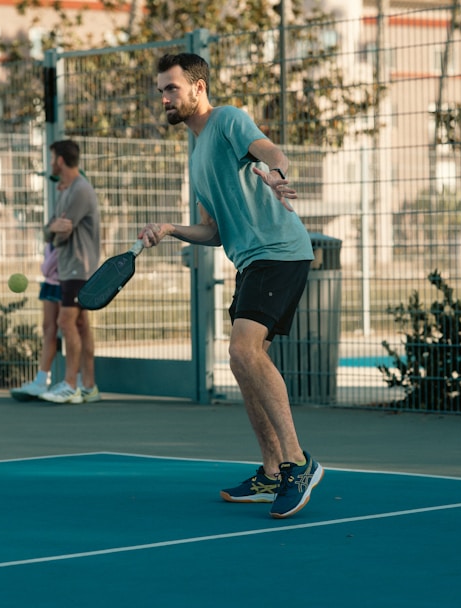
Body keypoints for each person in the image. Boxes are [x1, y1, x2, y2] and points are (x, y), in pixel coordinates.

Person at [138, 53, 322, 519]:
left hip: (279, 251)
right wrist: (172, 230)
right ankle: (270, 471)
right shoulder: (196, 154)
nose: (164, 97)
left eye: (171, 88)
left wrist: (277, 176)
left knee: (244, 351)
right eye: (161, 90)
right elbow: (213, 230)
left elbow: (271, 152)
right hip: (249, 261)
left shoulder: (227, 121)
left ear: (197, 88)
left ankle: (298, 463)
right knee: (242, 362)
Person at [38, 140, 102, 404]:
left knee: (66, 322)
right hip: (69, 268)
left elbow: (60, 233)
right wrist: (54, 229)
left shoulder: (80, 190)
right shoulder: (65, 191)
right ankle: (89, 386)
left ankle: (70, 385)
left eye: (53, 158)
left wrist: (54, 230)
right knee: (80, 325)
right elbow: (50, 231)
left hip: (80, 267)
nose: (51, 162)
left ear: (61, 160)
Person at [10, 242, 63, 399]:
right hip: (51, 282)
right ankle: (40, 382)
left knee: (70, 328)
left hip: (68, 280)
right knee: (48, 328)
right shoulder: (53, 226)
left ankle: (78, 382)